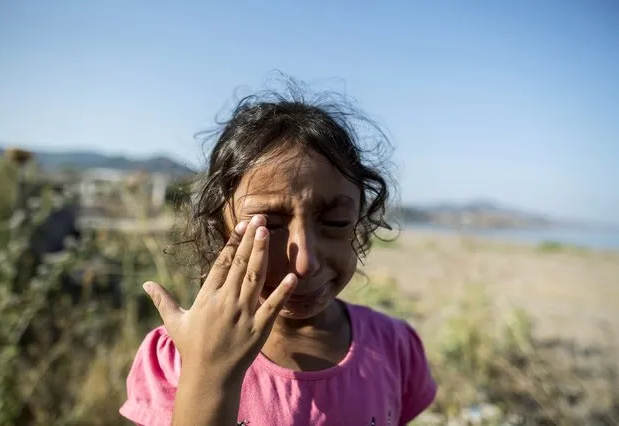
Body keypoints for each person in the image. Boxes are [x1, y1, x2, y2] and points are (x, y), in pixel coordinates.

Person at [119, 78, 438, 426]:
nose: (304, 263)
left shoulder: (394, 347)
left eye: (335, 221)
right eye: (268, 226)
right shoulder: (176, 357)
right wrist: (210, 369)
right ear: (220, 226)